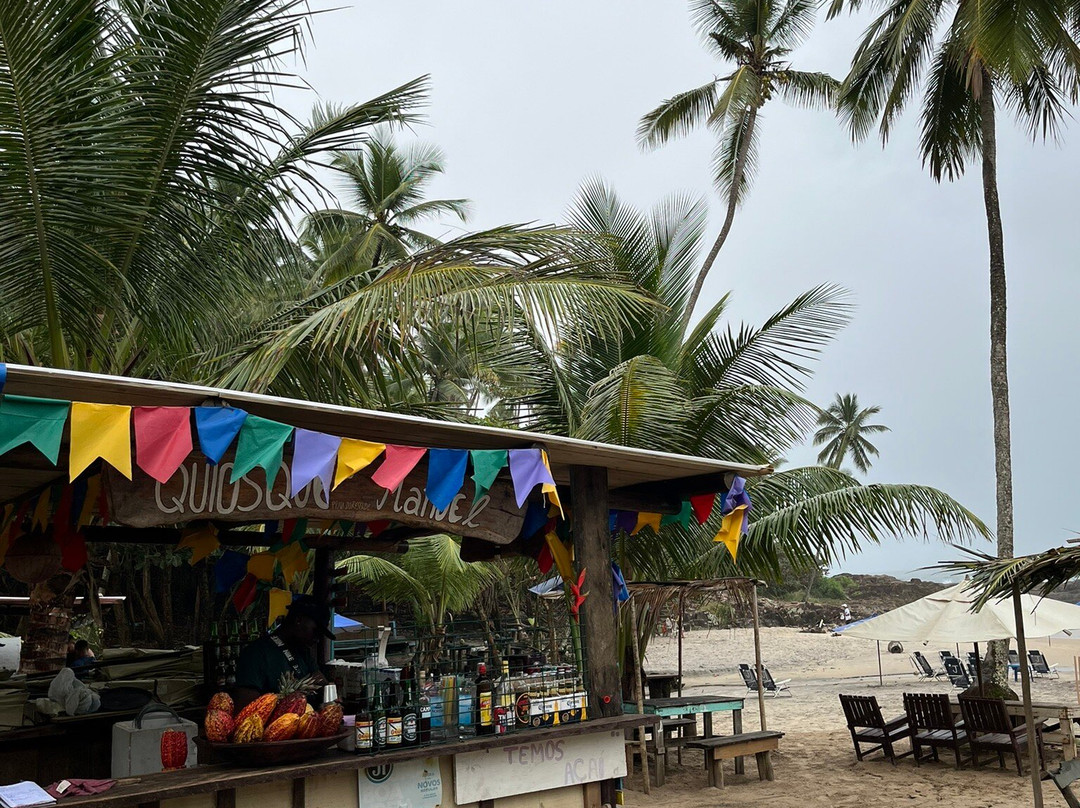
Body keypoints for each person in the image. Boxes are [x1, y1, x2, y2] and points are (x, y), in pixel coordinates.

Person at [233, 595, 331, 709]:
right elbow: (246, 708)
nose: (317, 639)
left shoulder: (303, 651)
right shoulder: (256, 654)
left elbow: (319, 680)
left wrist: (331, 696)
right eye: (316, 631)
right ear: (299, 620)